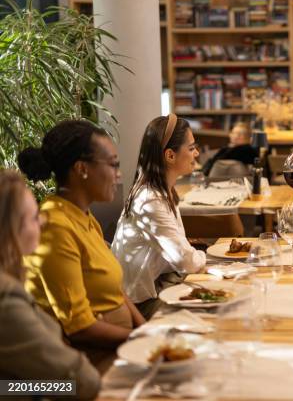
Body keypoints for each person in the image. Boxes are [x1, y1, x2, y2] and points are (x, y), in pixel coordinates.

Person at [18, 120, 145, 371]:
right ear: (81, 169)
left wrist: (147, 329)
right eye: (113, 164)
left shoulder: (84, 217)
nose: (119, 173)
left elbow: (114, 291)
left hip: (123, 346)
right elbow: (78, 327)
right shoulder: (54, 226)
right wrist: (140, 339)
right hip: (87, 363)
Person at [0, 170, 100, 399]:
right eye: (34, 217)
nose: (43, 221)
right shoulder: (5, 298)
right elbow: (84, 382)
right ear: (12, 230)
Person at [112, 114, 206, 319]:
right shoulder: (149, 200)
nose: (196, 153)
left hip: (160, 286)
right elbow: (186, 262)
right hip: (140, 305)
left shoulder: (161, 191)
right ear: (170, 155)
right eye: (191, 148)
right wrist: (203, 257)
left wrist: (196, 256)